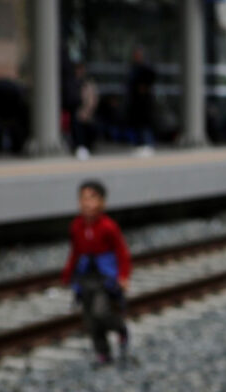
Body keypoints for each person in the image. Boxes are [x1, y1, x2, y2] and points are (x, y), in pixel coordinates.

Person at [60, 180, 132, 367]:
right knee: (90, 320)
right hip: (85, 277)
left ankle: (120, 328)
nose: (87, 203)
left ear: (102, 203)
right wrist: (68, 274)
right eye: (84, 198)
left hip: (105, 277)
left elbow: (122, 252)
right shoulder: (76, 226)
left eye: (92, 198)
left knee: (101, 312)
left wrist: (123, 276)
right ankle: (103, 353)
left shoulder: (108, 227)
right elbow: (74, 252)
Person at [125, 46, 157, 154]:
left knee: (145, 125)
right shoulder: (133, 68)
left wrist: (144, 87)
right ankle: (140, 144)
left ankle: (148, 144)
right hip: (135, 103)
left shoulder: (146, 68)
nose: (136, 57)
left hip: (144, 103)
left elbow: (151, 79)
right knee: (138, 125)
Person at [71, 64, 99, 160]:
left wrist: (87, 112)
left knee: (89, 128)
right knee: (78, 127)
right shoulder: (73, 83)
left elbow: (93, 100)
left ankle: (87, 148)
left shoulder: (88, 83)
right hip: (77, 112)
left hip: (87, 113)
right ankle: (80, 148)